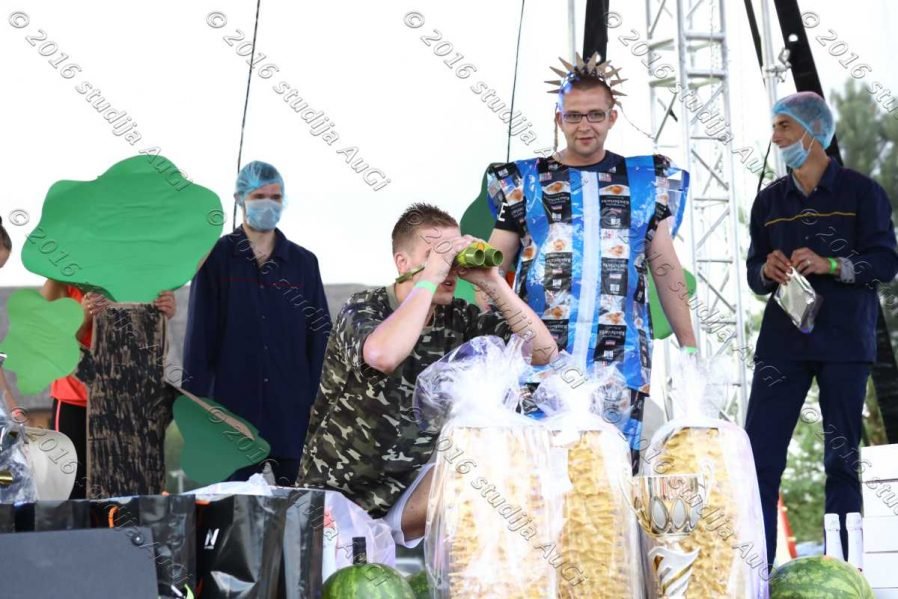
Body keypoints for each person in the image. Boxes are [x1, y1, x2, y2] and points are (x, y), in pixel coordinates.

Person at [297, 203, 558, 547]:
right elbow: (382, 356)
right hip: (333, 500)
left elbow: (543, 352)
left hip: (402, 501)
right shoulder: (364, 308)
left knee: (493, 467)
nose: (448, 266)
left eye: (452, 255)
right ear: (402, 263)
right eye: (435, 254)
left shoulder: (459, 318)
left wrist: (493, 282)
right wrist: (431, 276)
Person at [486, 54, 697, 468]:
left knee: (609, 477)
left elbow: (666, 269)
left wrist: (689, 347)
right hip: (538, 359)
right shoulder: (525, 181)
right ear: (558, 118)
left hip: (620, 362)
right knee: (535, 474)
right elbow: (489, 269)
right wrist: (485, 344)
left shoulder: (645, 181)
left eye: (595, 115)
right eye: (574, 115)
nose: (585, 126)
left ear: (612, 117)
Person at [744, 91, 898, 565]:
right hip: (781, 345)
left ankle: (843, 572)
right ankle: (758, 577)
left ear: (815, 132)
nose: (775, 137)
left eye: (784, 126)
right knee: (758, 459)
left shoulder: (862, 192)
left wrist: (831, 264)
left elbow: (885, 263)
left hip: (845, 343)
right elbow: (753, 271)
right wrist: (765, 270)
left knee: (841, 459)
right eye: (774, 127)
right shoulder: (768, 200)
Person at [183, 161, 331, 485]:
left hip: (291, 413)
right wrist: (195, 404)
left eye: (275, 197)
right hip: (231, 416)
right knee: (229, 504)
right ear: (240, 199)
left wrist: (319, 401)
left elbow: (320, 337)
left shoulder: (303, 264)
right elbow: (199, 337)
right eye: (259, 196)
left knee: (300, 503)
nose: (268, 203)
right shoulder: (216, 259)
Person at [40, 280, 175, 498]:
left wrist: (162, 315)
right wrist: (82, 317)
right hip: (75, 401)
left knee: (128, 490)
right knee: (74, 490)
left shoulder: (140, 274)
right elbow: (46, 341)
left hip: (127, 404)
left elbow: (148, 344)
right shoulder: (59, 281)